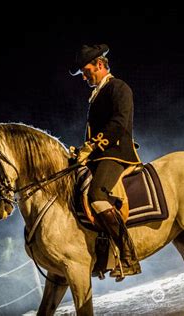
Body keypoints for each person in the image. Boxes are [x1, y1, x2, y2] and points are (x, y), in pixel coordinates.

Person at [70, 44, 142, 279]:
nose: (84, 76)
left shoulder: (118, 87)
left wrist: (93, 146)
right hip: (99, 155)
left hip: (116, 153)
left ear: (99, 65)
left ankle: (129, 255)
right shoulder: (97, 93)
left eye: (86, 70)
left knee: (97, 197)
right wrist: (82, 151)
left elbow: (119, 123)